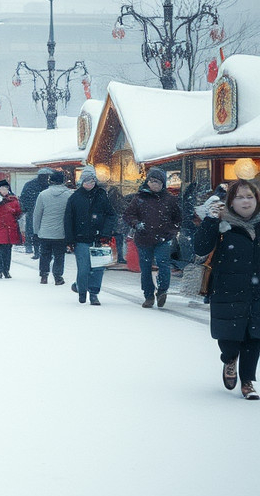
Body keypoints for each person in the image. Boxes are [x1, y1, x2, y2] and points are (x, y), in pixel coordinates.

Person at [194, 181, 260, 399]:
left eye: (249, 196)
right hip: (227, 288)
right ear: (231, 201)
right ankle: (230, 359)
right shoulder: (222, 223)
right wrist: (210, 220)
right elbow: (201, 248)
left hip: (257, 289)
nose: (246, 201)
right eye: (240, 197)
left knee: (254, 336)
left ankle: (248, 381)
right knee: (230, 337)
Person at [122, 167, 182, 308]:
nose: (154, 184)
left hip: (163, 238)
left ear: (163, 184)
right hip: (144, 239)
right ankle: (148, 295)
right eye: (152, 181)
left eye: (158, 182)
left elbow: (178, 218)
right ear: (147, 182)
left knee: (163, 264)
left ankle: (162, 290)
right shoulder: (139, 198)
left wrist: (172, 231)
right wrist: (137, 224)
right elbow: (128, 215)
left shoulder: (170, 200)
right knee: (145, 267)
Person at [63, 166, 115, 305]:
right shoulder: (75, 198)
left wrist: (105, 233)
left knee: (98, 268)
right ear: (82, 181)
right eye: (86, 180)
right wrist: (69, 240)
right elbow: (68, 220)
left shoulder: (101, 195)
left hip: (99, 238)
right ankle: (81, 291)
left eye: (92, 180)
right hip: (81, 238)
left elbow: (111, 215)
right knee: (84, 268)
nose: (89, 183)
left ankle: (94, 293)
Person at [32, 169, 72, 286]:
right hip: (61, 232)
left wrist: (36, 231)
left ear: (51, 181)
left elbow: (37, 214)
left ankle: (44, 275)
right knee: (59, 255)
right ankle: (58, 277)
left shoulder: (43, 195)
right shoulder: (68, 195)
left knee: (45, 254)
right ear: (63, 181)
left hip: (45, 231)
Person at [20, 169, 51, 257]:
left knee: (32, 230)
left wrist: (26, 208)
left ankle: (32, 247)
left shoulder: (30, 184)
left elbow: (23, 198)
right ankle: (35, 248)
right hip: (40, 211)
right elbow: (23, 198)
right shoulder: (48, 186)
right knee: (36, 230)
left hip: (33, 210)